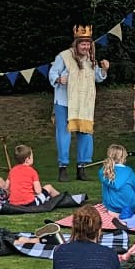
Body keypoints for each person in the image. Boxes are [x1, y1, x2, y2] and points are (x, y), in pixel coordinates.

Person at [48, 25, 108, 175]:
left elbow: (97, 78)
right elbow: (52, 72)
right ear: (76, 44)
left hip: (84, 103)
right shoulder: (64, 56)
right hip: (64, 102)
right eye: (83, 44)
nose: (86, 47)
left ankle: (82, 167)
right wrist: (58, 79)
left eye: (88, 44)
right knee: (64, 133)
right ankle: (63, 167)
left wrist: (104, 69)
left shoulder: (90, 59)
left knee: (86, 133)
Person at [99, 144, 135, 219]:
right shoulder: (128, 171)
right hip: (131, 207)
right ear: (123, 157)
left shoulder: (103, 171)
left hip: (112, 208)